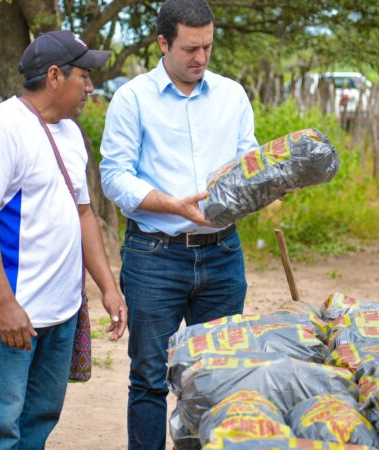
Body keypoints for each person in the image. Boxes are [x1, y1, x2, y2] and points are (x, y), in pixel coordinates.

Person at [99, 1, 259, 448]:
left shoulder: (232, 95)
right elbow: (114, 176)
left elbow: (248, 161)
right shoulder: (131, 99)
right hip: (154, 257)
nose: (201, 58)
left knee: (215, 375)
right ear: (163, 42)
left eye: (208, 47)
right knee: (150, 377)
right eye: (191, 48)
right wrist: (172, 205)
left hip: (223, 254)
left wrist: (266, 182)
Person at [0, 30, 127, 449]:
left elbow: (84, 213)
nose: (90, 87)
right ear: (55, 76)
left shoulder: (71, 133)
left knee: (40, 419)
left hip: (62, 310)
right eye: (83, 76)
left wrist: (109, 287)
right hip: (14, 314)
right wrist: (4, 304)